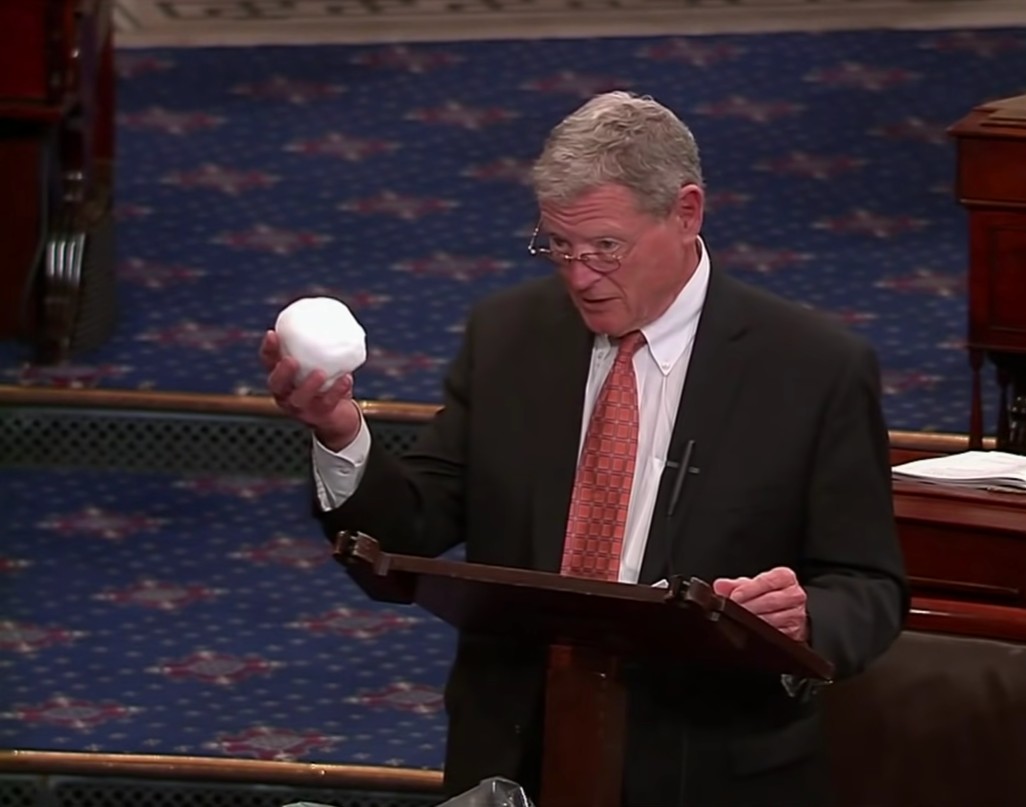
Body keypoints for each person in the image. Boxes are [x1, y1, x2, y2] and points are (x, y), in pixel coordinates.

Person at [259, 90, 908, 805]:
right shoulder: (509, 337)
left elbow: (868, 586)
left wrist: (805, 615)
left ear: (686, 212)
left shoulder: (812, 368)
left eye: (606, 247)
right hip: (514, 755)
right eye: (557, 246)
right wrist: (340, 430)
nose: (578, 275)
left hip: (710, 764)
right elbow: (413, 525)